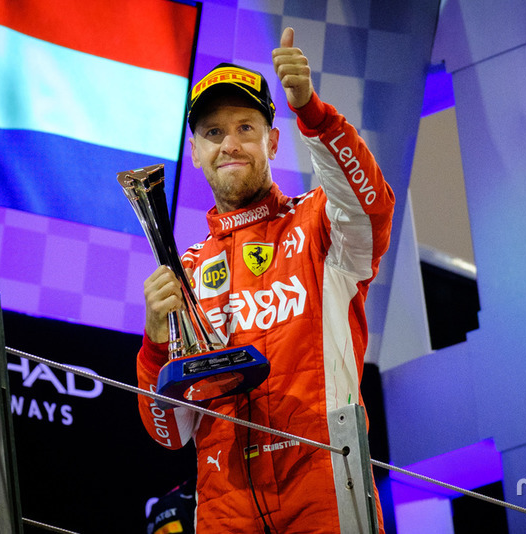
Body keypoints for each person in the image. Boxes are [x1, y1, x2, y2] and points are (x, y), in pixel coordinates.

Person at [135, 27, 394, 533]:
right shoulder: (184, 274)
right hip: (223, 501)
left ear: (273, 141)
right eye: (213, 133)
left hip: (322, 478)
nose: (230, 144)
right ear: (195, 152)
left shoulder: (319, 227)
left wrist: (313, 113)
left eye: (245, 128)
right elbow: (169, 434)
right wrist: (154, 345)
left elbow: (373, 209)